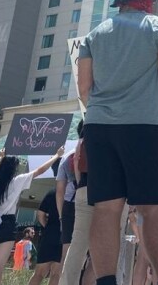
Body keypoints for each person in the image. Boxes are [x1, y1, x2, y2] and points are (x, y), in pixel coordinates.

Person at [76, 0, 158, 285]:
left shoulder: (93, 35)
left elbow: (84, 88)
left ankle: (106, 281)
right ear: (145, 1)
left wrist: (105, 111)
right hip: (142, 126)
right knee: (152, 209)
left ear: (120, 3)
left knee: (105, 209)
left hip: (99, 127)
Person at [0, 147, 65, 285]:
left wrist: (0, 158)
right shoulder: (16, 182)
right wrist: (56, 156)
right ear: (13, 169)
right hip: (6, 224)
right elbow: (39, 171)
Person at [61, 122, 95, 285]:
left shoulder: (84, 135)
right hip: (112, 192)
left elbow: (76, 161)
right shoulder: (120, 123)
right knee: (105, 248)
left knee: (78, 245)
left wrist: (81, 182)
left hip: (85, 188)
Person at [30, 190, 63, 285]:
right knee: (56, 274)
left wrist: (47, 227)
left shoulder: (52, 193)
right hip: (65, 235)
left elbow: (40, 214)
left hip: (49, 234)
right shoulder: (74, 192)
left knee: (39, 273)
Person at [56, 144, 77, 269]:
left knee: (66, 251)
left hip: (69, 204)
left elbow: (60, 191)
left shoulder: (66, 156)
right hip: (90, 203)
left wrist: (61, 215)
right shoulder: (96, 149)